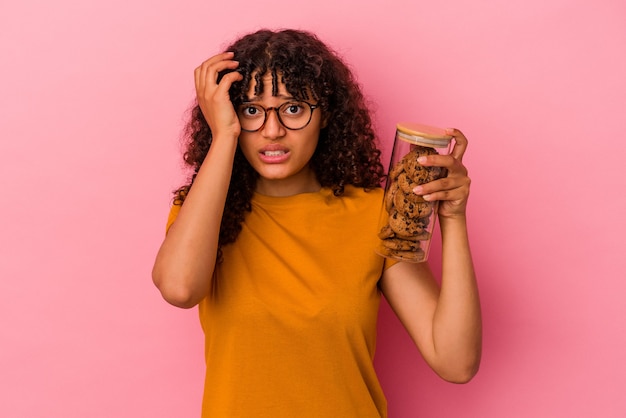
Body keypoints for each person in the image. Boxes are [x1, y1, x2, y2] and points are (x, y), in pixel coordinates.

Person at [152, 28, 481, 418]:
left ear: (325, 115)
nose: (272, 131)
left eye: (293, 108)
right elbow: (179, 288)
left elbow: (455, 360)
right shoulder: (204, 213)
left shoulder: (373, 213)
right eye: (251, 110)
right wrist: (224, 134)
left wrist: (453, 218)